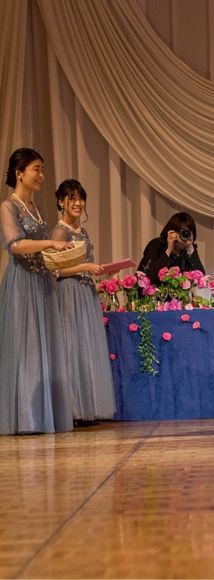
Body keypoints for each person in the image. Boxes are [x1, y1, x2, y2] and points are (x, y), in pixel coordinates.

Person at [0, 148, 74, 434]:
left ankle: (42, 415)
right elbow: (16, 245)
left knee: (44, 347)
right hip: (22, 282)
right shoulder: (9, 206)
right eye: (36, 169)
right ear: (19, 173)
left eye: (43, 169)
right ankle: (25, 418)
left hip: (42, 281)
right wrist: (51, 243)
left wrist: (61, 255)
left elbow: (41, 248)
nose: (42, 175)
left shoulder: (36, 207)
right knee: (25, 347)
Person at [51, 179, 116, 422]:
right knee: (72, 346)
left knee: (86, 345)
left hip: (86, 292)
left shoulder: (82, 231)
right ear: (61, 202)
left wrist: (98, 270)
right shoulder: (60, 231)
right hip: (69, 292)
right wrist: (85, 267)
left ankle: (87, 408)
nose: (78, 203)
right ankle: (72, 410)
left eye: (81, 199)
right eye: (72, 199)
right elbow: (55, 269)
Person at [138, 212, 205, 283]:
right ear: (173, 232)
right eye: (183, 232)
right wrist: (169, 250)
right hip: (154, 289)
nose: (185, 235)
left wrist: (190, 249)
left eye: (188, 233)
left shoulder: (189, 249)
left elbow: (201, 278)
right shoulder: (156, 245)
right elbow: (147, 277)